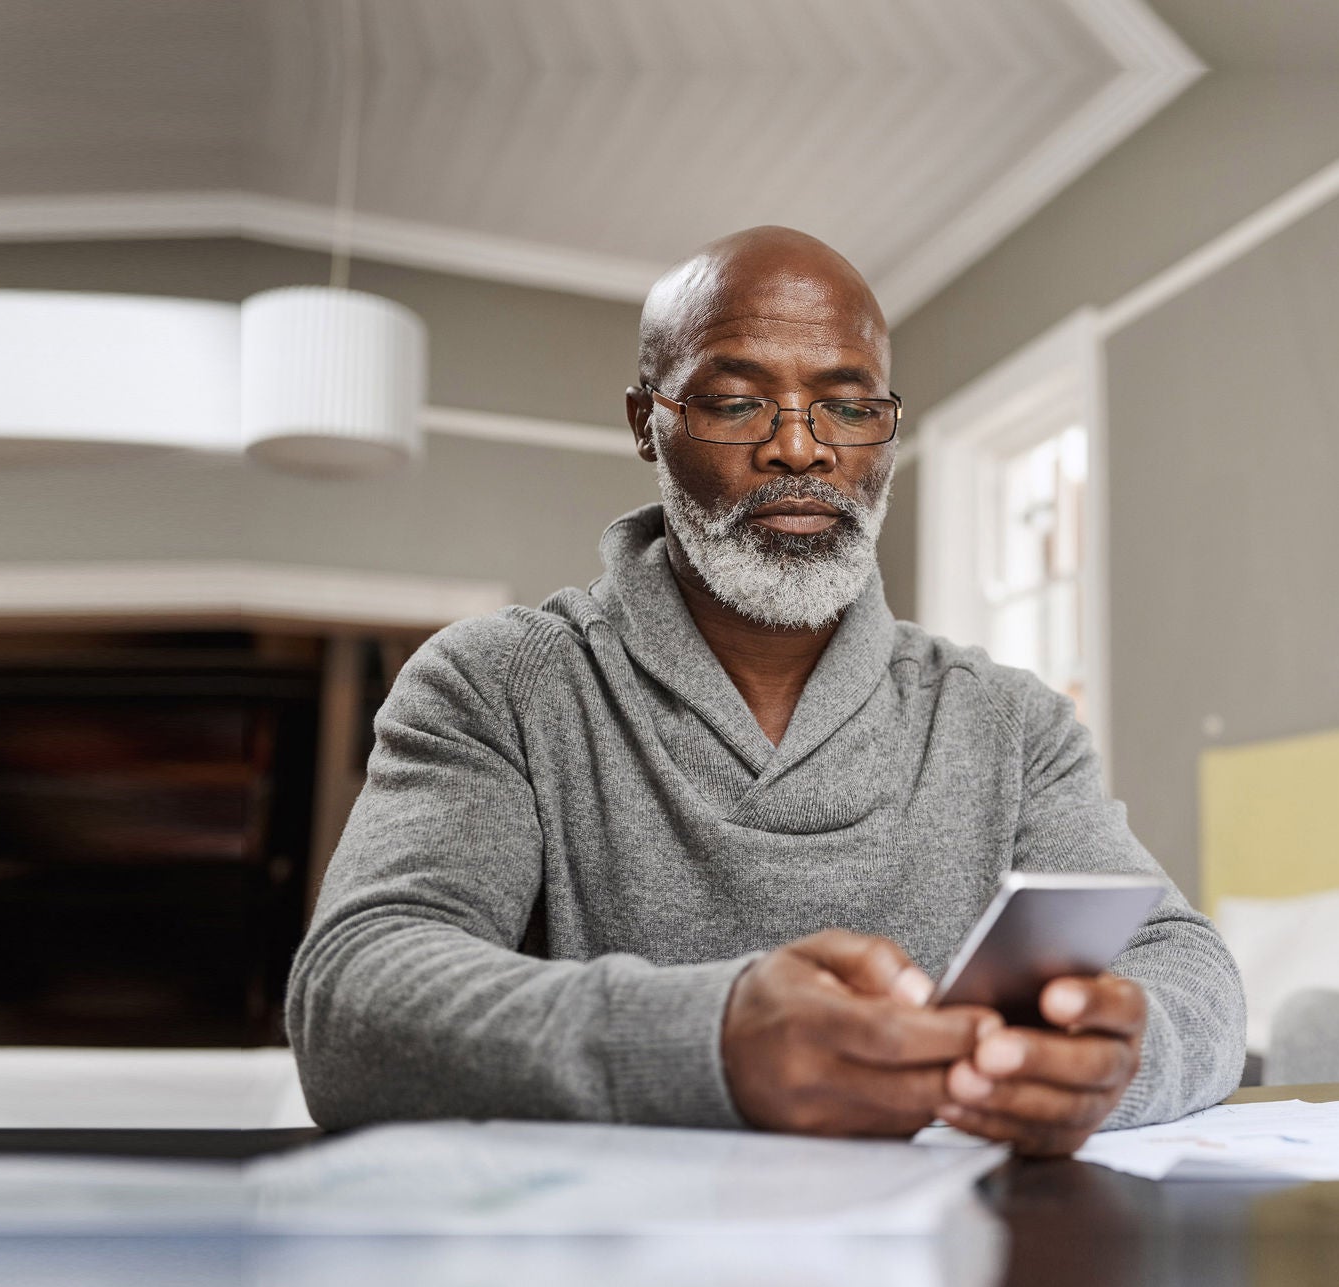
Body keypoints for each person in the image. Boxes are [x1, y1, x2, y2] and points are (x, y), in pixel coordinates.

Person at [285, 226, 1245, 1155]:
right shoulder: (498, 683)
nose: (800, 448)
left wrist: (1122, 1056)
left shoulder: (1013, 722)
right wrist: (709, 1039)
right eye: (736, 401)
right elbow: (353, 996)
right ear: (646, 426)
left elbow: (1188, 967)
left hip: (939, 1278)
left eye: (848, 405)